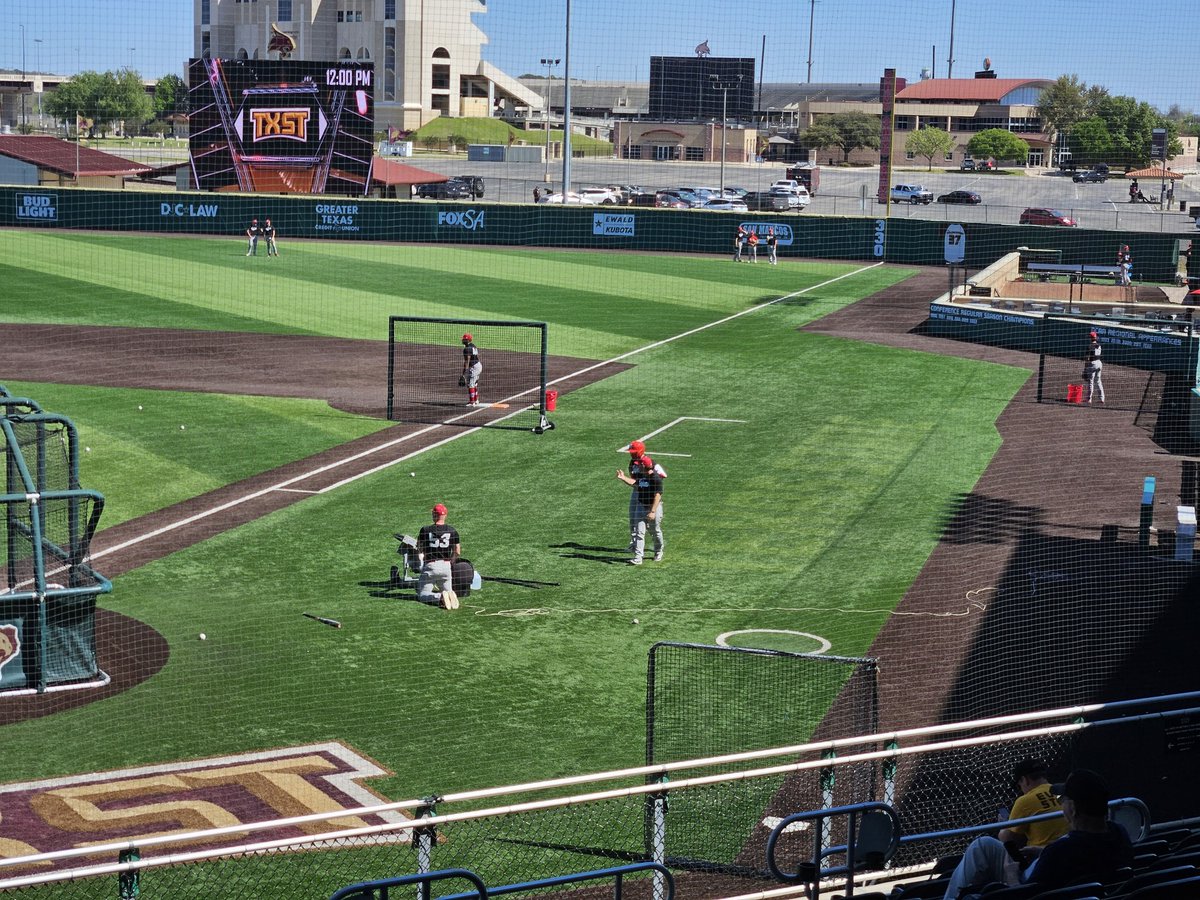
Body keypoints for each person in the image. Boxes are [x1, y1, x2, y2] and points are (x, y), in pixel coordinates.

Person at [941, 769, 1132, 900]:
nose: (1061, 804)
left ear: (1072, 809)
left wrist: (1011, 875)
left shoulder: (1061, 851)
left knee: (980, 847)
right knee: (983, 845)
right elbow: (1085, 855)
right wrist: (1043, 851)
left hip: (1027, 884)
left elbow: (1025, 895)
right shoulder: (1119, 834)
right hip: (1077, 884)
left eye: (1062, 799)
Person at [617, 445, 664, 565]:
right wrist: (623, 478)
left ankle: (658, 551)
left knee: (655, 531)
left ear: (645, 466)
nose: (638, 466)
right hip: (641, 505)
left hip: (653, 508)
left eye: (641, 465)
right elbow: (635, 483)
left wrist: (652, 511)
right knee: (639, 532)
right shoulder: (643, 477)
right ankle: (638, 558)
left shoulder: (655, 479)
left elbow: (658, 495)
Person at [416, 503, 461, 609]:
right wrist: (451, 561)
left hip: (431, 566)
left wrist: (422, 552)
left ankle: (439, 597)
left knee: (422, 594)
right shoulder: (452, 530)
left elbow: (418, 546)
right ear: (445, 515)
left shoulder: (425, 529)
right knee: (447, 592)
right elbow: (457, 551)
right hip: (446, 567)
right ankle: (449, 595)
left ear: (434, 515)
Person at [461, 333, 482, 407]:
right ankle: (476, 400)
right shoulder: (473, 345)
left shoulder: (467, 349)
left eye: (465, 339)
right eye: (463, 339)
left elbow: (467, 361)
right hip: (478, 365)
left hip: (474, 367)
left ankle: (472, 402)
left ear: (468, 340)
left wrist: (463, 374)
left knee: (471, 384)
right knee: (474, 383)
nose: (463, 340)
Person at [1083, 331, 1104, 404]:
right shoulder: (1099, 345)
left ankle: (1089, 399)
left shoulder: (1090, 346)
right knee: (1098, 381)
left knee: (1090, 381)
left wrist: (1085, 369)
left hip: (1093, 364)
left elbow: (1087, 358)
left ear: (1091, 338)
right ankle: (1102, 398)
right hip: (1099, 363)